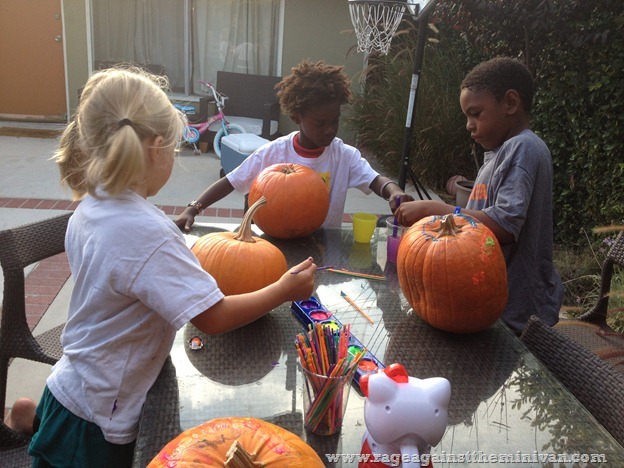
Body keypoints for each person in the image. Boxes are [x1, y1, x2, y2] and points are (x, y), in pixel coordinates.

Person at [5, 66, 315, 467]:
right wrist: (283, 290)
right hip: (100, 416)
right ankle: (36, 426)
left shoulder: (92, 202)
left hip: (72, 383)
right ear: (155, 148)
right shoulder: (149, 233)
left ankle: (33, 419)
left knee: (55, 430)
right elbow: (213, 317)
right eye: (176, 149)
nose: (174, 157)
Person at [394, 56, 564, 333]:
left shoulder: (524, 148)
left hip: (515, 307)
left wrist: (434, 210)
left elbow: (505, 226)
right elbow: (481, 216)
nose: (469, 125)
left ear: (510, 103)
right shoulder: (502, 152)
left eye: (475, 113)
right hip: (493, 304)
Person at [174, 59, 413, 232]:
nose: (329, 129)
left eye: (334, 121)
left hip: (324, 244)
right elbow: (230, 181)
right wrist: (193, 209)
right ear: (297, 117)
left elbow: (375, 180)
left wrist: (394, 192)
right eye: (320, 123)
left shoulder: (344, 156)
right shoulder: (274, 152)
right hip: (277, 242)